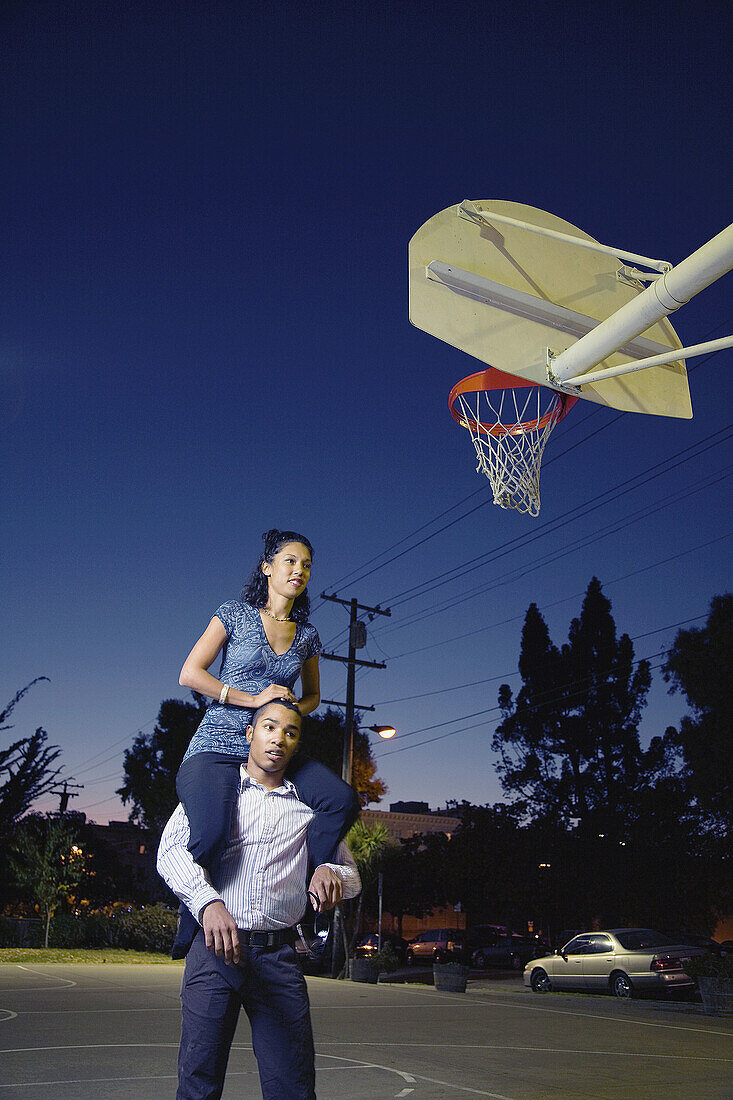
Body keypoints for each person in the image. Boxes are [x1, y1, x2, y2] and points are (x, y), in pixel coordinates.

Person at [158, 699, 361, 1100]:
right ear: (249, 734)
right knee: (198, 1080)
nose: (279, 739)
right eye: (269, 727)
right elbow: (169, 851)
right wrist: (207, 901)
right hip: (215, 952)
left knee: (292, 1083)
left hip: (278, 957)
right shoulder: (212, 791)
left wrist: (329, 871)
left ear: (296, 745)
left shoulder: (309, 809)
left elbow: (352, 875)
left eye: (290, 732)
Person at [172, 528, 360, 958]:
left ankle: (310, 899)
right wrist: (252, 698)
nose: (299, 570)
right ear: (268, 567)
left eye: (307, 565)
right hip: (219, 742)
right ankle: (194, 916)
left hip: (273, 746)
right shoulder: (234, 614)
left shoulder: (308, 635)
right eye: (290, 561)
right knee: (211, 831)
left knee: (340, 799)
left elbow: (312, 697)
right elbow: (190, 673)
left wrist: (292, 704)